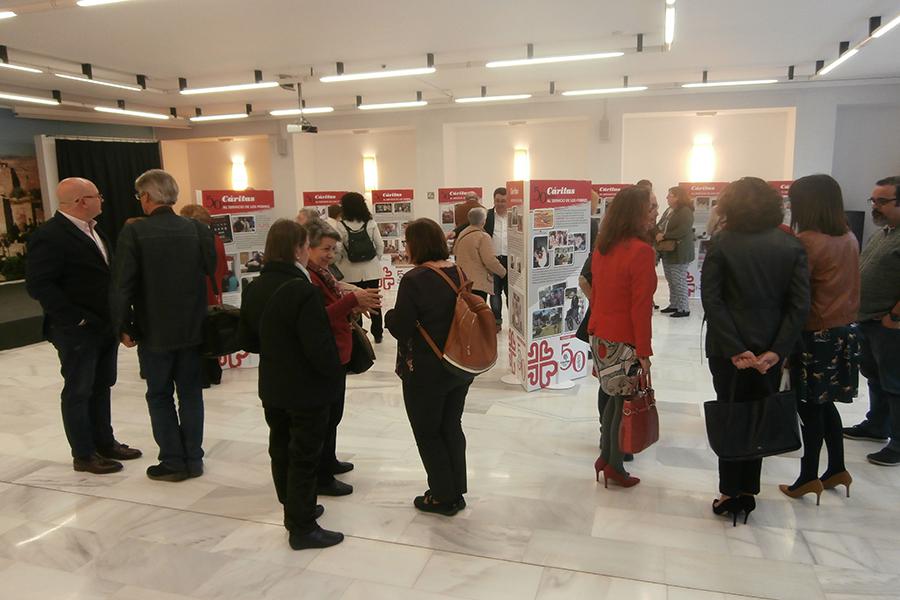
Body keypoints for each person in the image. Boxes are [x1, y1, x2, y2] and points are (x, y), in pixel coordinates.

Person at [702, 177, 810, 523]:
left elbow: (713, 301)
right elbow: (798, 306)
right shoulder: (790, 245)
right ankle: (748, 491)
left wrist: (735, 349)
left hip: (726, 348)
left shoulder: (721, 243)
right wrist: (777, 351)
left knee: (733, 415)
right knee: (758, 413)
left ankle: (729, 492)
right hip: (769, 349)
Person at [238, 219, 345, 549]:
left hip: (273, 384)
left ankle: (296, 507)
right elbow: (318, 346)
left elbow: (248, 339)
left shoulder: (255, 286)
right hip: (306, 389)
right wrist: (332, 372)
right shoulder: (302, 289)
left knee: (281, 448)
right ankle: (302, 526)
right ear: (299, 249)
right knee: (304, 455)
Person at [25, 177, 142, 474]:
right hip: (76, 329)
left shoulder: (95, 230)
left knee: (102, 385)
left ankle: (104, 442)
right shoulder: (50, 235)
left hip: (104, 325)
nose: (101, 199)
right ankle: (84, 453)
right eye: (97, 195)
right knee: (79, 390)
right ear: (81, 201)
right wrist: (75, 318)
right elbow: (39, 284)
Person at [112, 169, 216, 482]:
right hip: (193, 327)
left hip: (154, 327)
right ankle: (193, 459)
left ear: (146, 196)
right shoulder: (198, 229)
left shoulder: (135, 232)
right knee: (191, 394)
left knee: (159, 395)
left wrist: (122, 324)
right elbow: (210, 268)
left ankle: (172, 460)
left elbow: (122, 284)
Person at [777, 175, 859, 502]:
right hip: (843, 331)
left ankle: (808, 475)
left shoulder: (808, 241)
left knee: (808, 405)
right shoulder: (848, 237)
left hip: (814, 333)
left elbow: (796, 294)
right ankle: (836, 467)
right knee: (825, 404)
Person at [385, 218, 473, 516]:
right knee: (451, 425)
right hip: (458, 365)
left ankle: (442, 496)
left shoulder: (415, 279)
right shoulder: (457, 271)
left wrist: (388, 317)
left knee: (427, 431)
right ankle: (455, 489)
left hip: (425, 370)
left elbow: (402, 327)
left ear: (416, 244)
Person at [305, 220, 381, 496]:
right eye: (325, 249)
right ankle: (322, 475)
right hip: (327, 353)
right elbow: (318, 318)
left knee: (334, 414)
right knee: (325, 417)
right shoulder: (309, 278)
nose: (329, 254)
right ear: (308, 247)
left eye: (333, 249)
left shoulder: (322, 274)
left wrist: (354, 300)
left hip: (338, 352)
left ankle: (330, 460)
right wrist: (352, 301)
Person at [589, 186, 658, 489]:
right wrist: (644, 349)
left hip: (602, 335)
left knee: (613, 401)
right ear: (637, 214)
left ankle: (607, 457)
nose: (653, 213)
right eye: (649, 208)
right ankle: (614, 464)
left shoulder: (604, 246)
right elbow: (640, 307)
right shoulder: (641, 252)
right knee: (621, 402)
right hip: (625, 339)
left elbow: (599, 293)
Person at [842, 176, 900, 466]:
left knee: (895, 383)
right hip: (868, 321)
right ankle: (877, 425)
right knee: (876, 377)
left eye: (882, 201)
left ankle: (898, 443)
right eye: (873, 201)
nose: (875, 206)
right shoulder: (884, 233)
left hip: (890, 325)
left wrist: (894, 317)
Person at [180, 204, 227, 387]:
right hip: (213, 294)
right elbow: (222, 267)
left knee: (197, 336)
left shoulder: (189, 241)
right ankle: (215, 373)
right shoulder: (217, 240)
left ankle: (203, 376)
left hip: (197, 294)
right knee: (211, 332)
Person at [335, 192, 385, 343]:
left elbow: (338, 250)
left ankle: (359, 334)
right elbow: (380, 245)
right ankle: (378, 334)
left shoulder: (340, 225)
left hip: (349, 272)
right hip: (371, 271)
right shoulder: (370, 222)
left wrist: (339, 263)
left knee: (354, 303)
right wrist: (374, 260)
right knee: (374, 302)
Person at [656, 186, 695, 318]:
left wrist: (665, 236)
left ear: (678, 197)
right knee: (671, 280)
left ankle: (684, 308)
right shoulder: (669, 210)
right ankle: (674, 304)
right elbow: (660, 224)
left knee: (679, 280)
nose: (667, 198)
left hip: (679, 251)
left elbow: (683, 230)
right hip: (667, 250)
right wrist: (657, 233)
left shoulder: (685, 211)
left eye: (670, 195)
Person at [452, 208, 506, 302]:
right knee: (479, 311)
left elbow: (455, 251)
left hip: (463, 281)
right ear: (483, 221)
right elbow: (490, 261)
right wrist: (503, 272)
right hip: (478, 282)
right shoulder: (483, 237)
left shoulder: (462, 233)